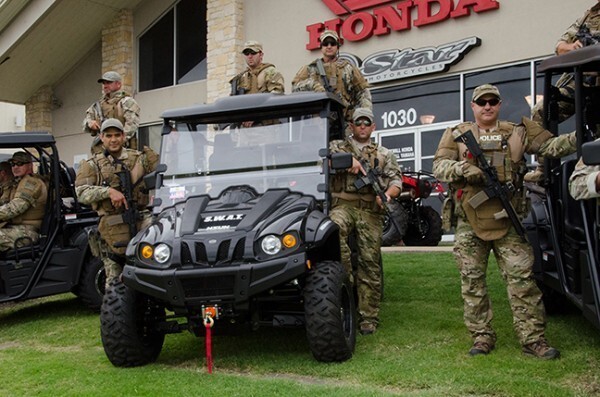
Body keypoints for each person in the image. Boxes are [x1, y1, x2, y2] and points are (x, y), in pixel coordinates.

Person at [433, 84, 577, 359]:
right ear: (473, 106)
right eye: (482, 102)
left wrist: (580, 136)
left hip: (508, 218)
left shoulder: (518, 131)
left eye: (493, 101)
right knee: (472, 282)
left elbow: (551, 146)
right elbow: (439, 166)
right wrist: (463, 168)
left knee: (522, 280)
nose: (487, 106)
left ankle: (533, 339)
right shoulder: (458, 134)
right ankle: (481, 337)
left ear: (499, 105)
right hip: (469, 221)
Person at [329, 108, 402, 335]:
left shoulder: (384, 153)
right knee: (335, 227)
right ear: (351, 125)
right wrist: (346, 160)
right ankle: (346, 277)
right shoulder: (337, 147)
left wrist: (388, 194)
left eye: (366, 123)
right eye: (358, 123)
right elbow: (323, 163)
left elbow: (396, 180)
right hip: (343, 206)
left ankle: (368, 317)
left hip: (370, 211)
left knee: (370, 261)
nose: (362, 126)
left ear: (373, 127)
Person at [75, 118, 158, 286]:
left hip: (141, 221)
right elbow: (81, 193)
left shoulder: (139, 158)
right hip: (112, 227)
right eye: (108, 135)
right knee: (114, 282)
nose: (113, 140)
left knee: (152, 272)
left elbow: (164, 174)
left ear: (124, 136)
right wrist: (108, 192)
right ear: (101, 137)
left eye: (117, 135)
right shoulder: (92, 166)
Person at [525, 1, 600, 183]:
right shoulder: (590, 15)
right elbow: (560, 46)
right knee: (541, 111)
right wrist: (572, 47)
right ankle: (545, 169)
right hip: (581, 82)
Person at [292, 30, 372, 129]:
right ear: (321, 47)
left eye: (332, 44)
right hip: (317, 122)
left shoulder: (348, 68)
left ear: (337, 47)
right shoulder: (310, 68)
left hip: (344, 122)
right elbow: (295, 87)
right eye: (325, 44)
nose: (329, 46)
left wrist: (363, 116)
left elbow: (363, 92)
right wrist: (313, 85)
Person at [82, 71, 141, 154]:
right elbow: (86, 122)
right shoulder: (98, 105)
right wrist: (90, 123)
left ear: (118, 84)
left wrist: (116, 141)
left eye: (109, 82)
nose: (105, 86)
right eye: (104, 83)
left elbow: (131, 126)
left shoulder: (127, 102)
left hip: (123, 150)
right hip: (102, 150)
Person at [0, 152, 47, 251]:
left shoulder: (31, 183)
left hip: (28, 230)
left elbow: (14, 208)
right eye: (13, 164)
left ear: (30, 165)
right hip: (15, 227)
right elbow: (4, 202)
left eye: (20, 164)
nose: (15, 167)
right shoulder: (18, 182)